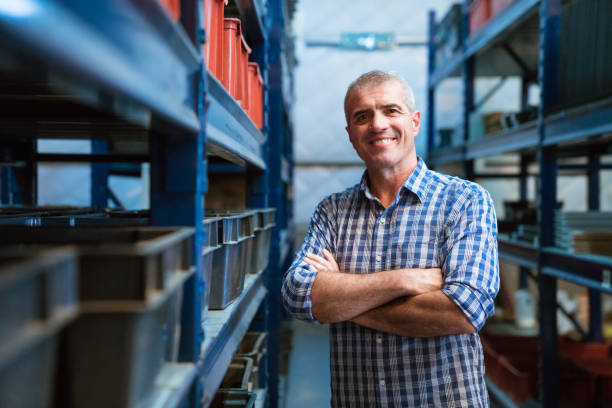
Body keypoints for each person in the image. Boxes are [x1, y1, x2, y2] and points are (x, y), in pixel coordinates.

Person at [281, 70, 499, 407]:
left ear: (414, 122)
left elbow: (464, 311)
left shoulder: (464, 201)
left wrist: (341, 301)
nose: (377, 124)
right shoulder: (332, 212)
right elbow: (297, 295)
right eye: (362, 116)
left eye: (390, 110)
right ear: (351, 134)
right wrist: (407, 280)